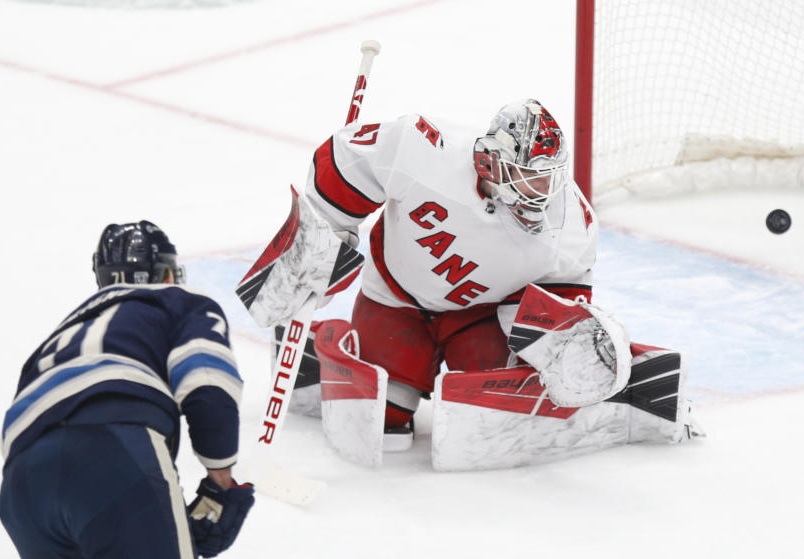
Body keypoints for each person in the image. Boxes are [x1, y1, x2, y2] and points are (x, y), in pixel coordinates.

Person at [238, 98, 699, 462]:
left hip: (479, 317)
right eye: (530, 179)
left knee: (486, 409)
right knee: (387, 419)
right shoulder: (423, 148)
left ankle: (624, 392)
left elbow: (552, 305)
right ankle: (320, 352)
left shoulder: (571, 225)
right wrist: (327, 226)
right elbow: (345, 159)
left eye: (550, 179)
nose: (545, 194)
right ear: (494, 163)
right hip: (396, 298)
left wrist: (571, 352)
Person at [0, 221, 255, 559]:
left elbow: (52, 435)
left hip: (23, 482)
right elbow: (208, 384)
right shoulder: (178, 302)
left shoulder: (67, 328)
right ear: (168, 273)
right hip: (112, 451)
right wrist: (220, 482)